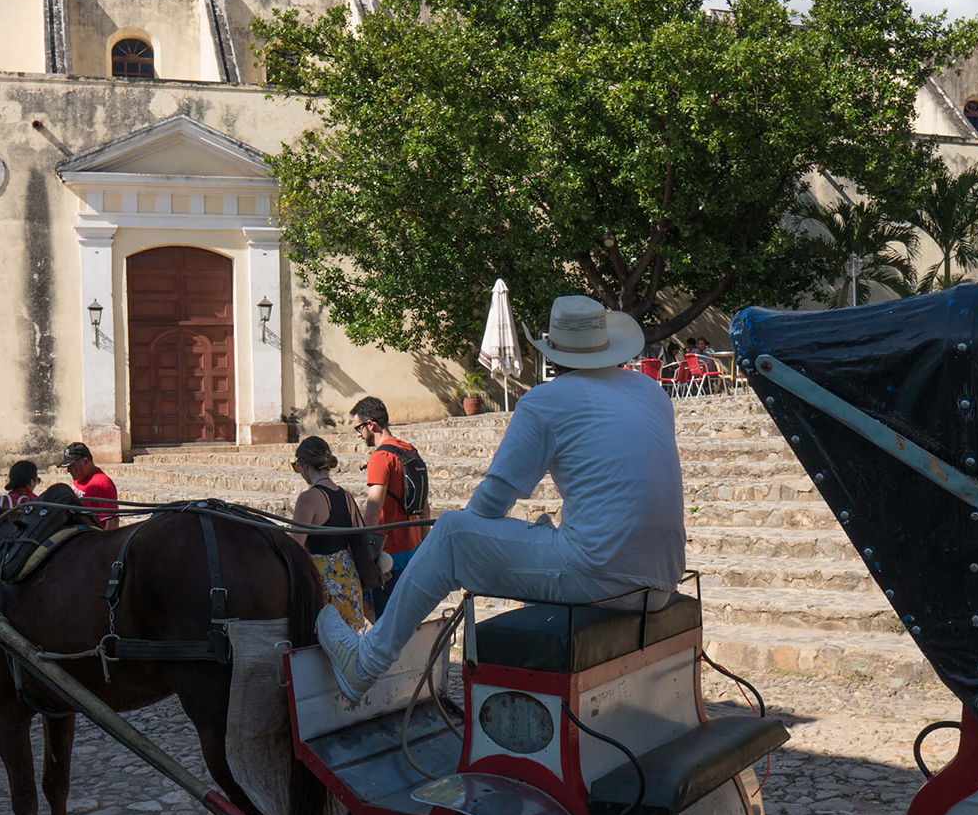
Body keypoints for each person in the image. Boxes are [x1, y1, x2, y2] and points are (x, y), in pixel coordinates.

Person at [318, 295, 686, 702]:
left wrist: (469, 546)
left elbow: (490, 505)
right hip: (663, 577)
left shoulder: (547, 400)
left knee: (454, 532)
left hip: (601, 574)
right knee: (528, 531)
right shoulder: (651, 393)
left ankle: (366, 661)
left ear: (554, 356)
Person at [349, 395, 427, 614]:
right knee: (402, 615)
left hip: (388, 554)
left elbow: (373, 513)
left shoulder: (381, 457)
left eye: (358, 428)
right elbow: (424, 506)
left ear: (370, 424)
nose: (358, 434)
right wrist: (424, 547)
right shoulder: (409, 450)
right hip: (412, 547)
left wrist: (361, 551)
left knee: (385, 617)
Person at [289, 436, 375, 632]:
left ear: (304, 465)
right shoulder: (347, 496)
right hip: (349, 581)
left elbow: (295, 547)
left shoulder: (309, 498)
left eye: (297, 466)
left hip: (322, 583)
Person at [58, 442, 119, 528]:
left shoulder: (102, 484)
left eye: (72, 466)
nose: (68, 471)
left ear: (85, 462)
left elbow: (112, 520)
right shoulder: (79, 478)